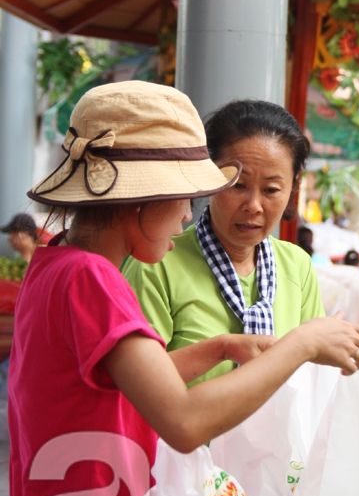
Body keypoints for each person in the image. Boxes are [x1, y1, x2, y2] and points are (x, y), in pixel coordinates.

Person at [0, 81, 359, 496]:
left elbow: (122, 389)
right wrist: (301, 343)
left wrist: (220, 349)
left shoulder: (58, 263)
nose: (187, 215)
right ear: (137, 199)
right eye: (183, 197)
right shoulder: (96, 279)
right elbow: (179, 421)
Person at [123, 100, 326, 383]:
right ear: (208, 177)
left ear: (294, 186)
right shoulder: (156, 263)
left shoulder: (297, 266)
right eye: (237, 185)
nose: (254, 205)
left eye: (271, 189)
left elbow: (312, 375)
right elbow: (136, 382)